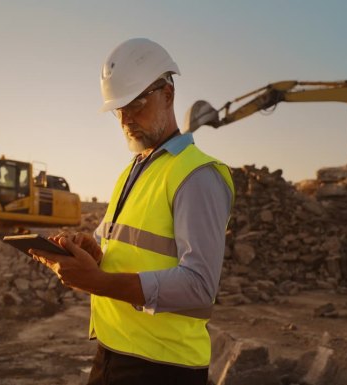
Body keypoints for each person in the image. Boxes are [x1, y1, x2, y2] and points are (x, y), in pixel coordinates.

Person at [29, 38, 235, 385]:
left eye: (135, 104)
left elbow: (199, 286)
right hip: (114, 353)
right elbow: (122, 247)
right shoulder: (132, 171)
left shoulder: (197, 175)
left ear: (167, 95)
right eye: (118, 109)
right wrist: (91, 251)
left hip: (163, 367)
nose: (125, 119)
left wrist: (101, 282)